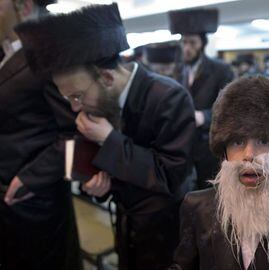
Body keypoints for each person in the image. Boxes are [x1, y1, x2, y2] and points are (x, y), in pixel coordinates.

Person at [16, 3, 196, 270]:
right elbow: (109, 173)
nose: (75, 108)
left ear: (107, 78)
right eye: (68, 99)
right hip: (125, 226)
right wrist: (101, 186)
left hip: (167, 232)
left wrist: (109, 139)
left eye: (76, 96)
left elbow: (170, 176)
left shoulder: (170, 97)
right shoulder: (98, 104)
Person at [170, 76, 269, 270]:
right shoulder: (198, 209)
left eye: (263, 141)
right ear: (224, 153)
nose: (248, 155)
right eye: (238, 142)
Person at [0, 0, 82, 269]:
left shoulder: (51, 54)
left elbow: (77, 132)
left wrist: (31, 178)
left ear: (22, 7)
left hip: (35, 203)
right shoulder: (5, 51)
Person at [168, 8, 234, 189]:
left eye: (192, 42)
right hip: (183, 143)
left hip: (208, 146)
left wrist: (203, 116)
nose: (187, 48)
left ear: (202, 44)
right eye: (184, 42)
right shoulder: (178, 70)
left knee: (207, 192)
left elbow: (229, 108)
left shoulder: (221, 70)